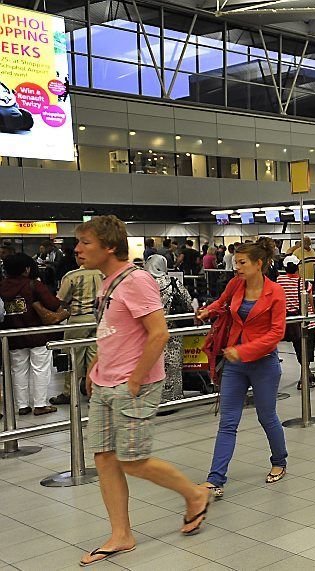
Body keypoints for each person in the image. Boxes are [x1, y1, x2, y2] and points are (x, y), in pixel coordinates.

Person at [76, 216, 211, 566]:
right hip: (107, 380)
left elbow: (159, 333)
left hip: (131, 385)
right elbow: (113, 331)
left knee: (132, 461)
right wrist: (96, 367)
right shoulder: (108, 282)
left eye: (85, 243)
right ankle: (121, 534)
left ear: (109, 246)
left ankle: (195, 495)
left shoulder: (137, 281)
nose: (77, 249)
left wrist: (135, 379)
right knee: (104, 458)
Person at [197, 237, 289, 498]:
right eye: (236, 262)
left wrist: (244, 350)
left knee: (266, 416)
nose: (236, 267)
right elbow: (223, 303)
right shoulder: (236, 284)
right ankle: (215, 479)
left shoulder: (275, 292)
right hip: (235, 364)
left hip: (263, 364)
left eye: (242, 262)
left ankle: (279, 460)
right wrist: (208, 311)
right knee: (228, 422)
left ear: (258, 264)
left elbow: (276, 333)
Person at [0, 253, 63, 415]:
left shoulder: (2, 286)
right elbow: (53, 304)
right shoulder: (33, 285)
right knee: (40, 369)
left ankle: (22, 406)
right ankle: (40, 405)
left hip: (13, 336)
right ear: (27, 269)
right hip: (37, 334)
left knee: (18, 370)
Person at [49, 262, 103, 405]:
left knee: (72, 357)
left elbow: (60, 300)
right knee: (94, 356)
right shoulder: (102, 274)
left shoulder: (72, 276)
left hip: (78, 319)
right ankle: (92, 390)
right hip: (99, 319)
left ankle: (69, 392)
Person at [145, 255, 193, 403]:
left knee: (152, 364)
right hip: (172, 330)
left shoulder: (142, 283)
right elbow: (188, 301)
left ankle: (153, 398)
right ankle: (174, 397)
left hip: (149, 332)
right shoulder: (172, 282)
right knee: (173, 364)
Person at [276, 255, 315, 389]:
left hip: (290, 321)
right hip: (305, 320)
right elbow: (309, 300)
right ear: (298, 267)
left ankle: (307, 374)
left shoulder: (279, 281)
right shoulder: (303, 282)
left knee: (298, 348)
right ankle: (304, 377)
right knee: (307, 349)